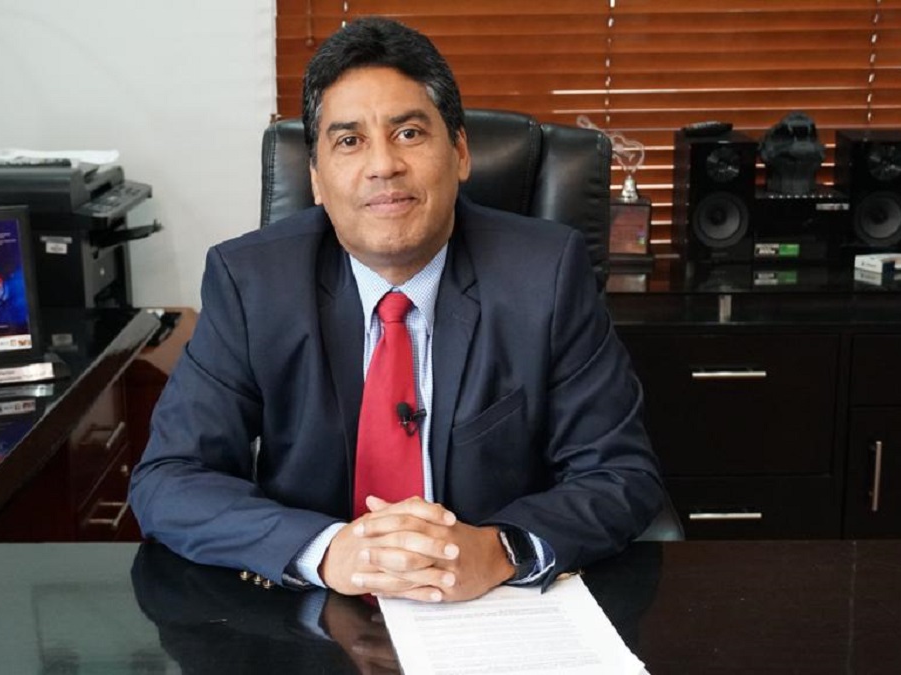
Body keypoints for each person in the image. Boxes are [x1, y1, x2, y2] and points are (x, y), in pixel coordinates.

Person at [129, 16, 663, 604]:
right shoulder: (251, 283)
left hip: (491, 605)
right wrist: (326, 551)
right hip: (314, 609)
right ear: (315, 179)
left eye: (408, 133)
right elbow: (170, 479)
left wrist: (499, 549)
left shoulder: (546, 274)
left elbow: (620, 473)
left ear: (460, 152)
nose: (383, 165)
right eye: (349, 141)